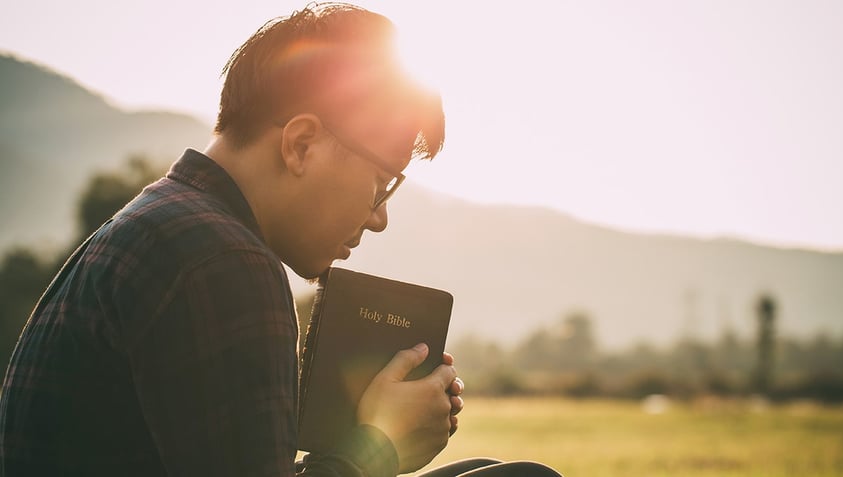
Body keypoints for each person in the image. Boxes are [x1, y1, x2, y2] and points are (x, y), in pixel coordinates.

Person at [0, 3, 560, 476]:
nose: (379, 219)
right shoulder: (222, 258)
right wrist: (378, 444)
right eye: (379, 184)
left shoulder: (168, 222)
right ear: (301, 144)